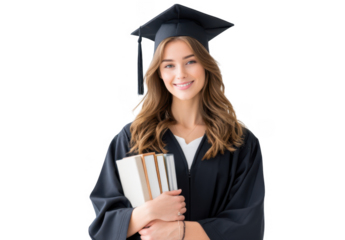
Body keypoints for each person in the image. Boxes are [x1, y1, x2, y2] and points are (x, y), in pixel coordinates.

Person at [88, 3, 265, 240]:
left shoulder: (241, 142)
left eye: (190, 61)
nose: (180, 73)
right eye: (169, 65)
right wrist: (147, 213)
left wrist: (181, 231)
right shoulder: (133, 137)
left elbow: (249, 224)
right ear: (159, 73)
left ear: (206, 65)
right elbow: (102, 226)